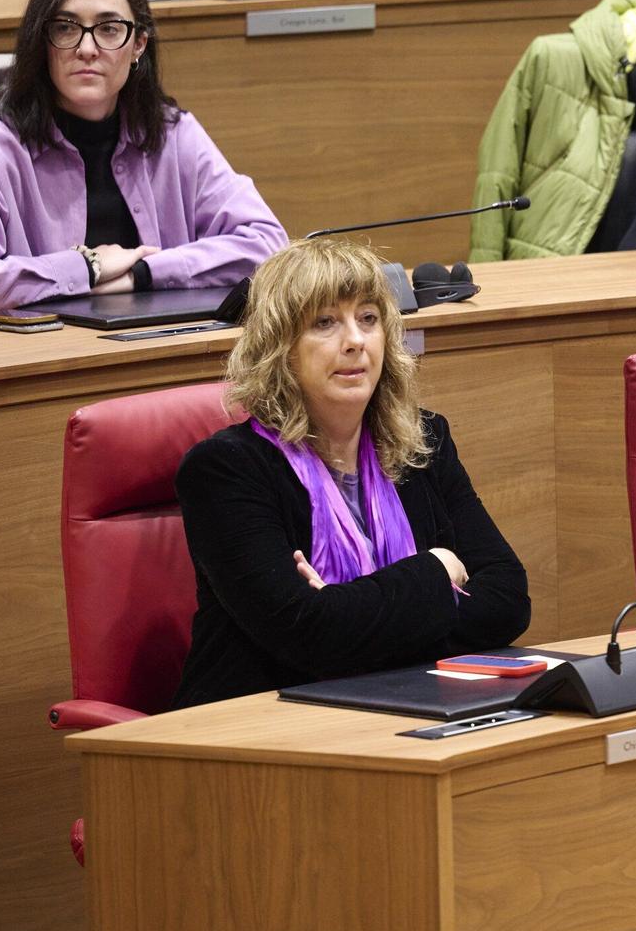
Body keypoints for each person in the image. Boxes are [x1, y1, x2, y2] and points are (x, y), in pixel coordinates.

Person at [170, 237, 531, 708]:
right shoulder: (228, 471)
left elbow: (508, 600)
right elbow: (308, 637)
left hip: (408, 703)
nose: (355, 341)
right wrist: (435, 572)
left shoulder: (424, 443)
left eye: (368, 318)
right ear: (281, 348)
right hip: (262, 730)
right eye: (325, 322)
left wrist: (351, 615)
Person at [0, 0, 285, 318]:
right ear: (42, 41)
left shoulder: (171, 131)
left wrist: (144, 274)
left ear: (138, 44)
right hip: (21, 356)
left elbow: (268, 244)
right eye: (65, 28)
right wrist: (88, 267)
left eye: (109, 29)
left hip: (140, 347)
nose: (86, 49)